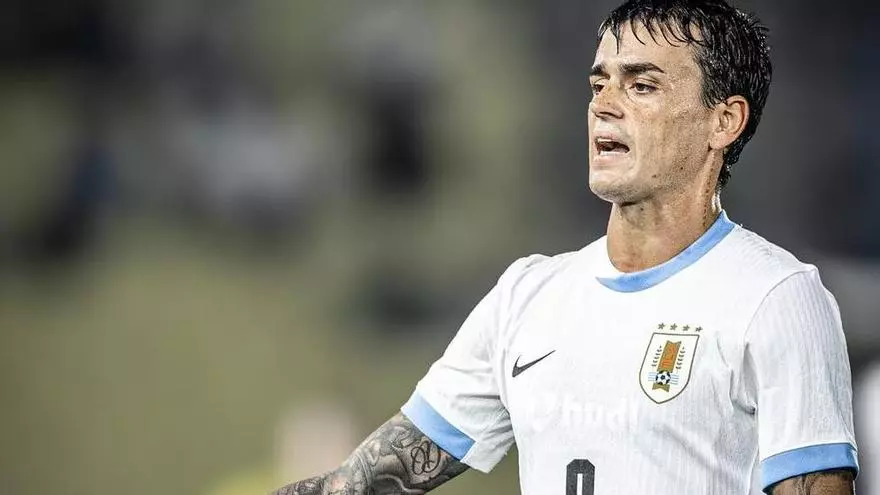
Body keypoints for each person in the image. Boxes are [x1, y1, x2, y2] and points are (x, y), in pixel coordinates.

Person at [272, 1, 859, 493]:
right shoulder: (528, 295)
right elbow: (364, 483)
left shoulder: (777, 298)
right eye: (599, 84)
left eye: (642, 85)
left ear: (723, 121)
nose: (606, 104)